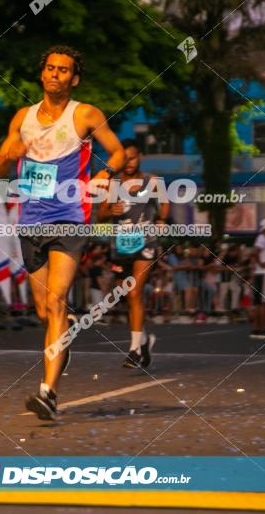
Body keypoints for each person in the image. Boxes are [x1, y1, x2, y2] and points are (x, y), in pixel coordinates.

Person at [0, 45, 124, 420]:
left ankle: (48, 392)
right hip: (31, 220)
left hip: (69, 216)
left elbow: (116, 153)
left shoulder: (84, 114)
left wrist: (106, 174)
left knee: (57, 302)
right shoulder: (22, 117)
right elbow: (0, 167)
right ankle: (62, 348)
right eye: (50, 68)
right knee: (42, 309)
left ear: (74, 78)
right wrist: (9, 153)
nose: (55, 74)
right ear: (42, 74)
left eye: (63, 70)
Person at [97, 139, 168, 369]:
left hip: (145, 242)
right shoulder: (113, 183)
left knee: (135, 292)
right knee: (128, 296)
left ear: (140, 157)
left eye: (133, 157)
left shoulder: (153, 181)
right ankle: (145, 340)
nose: (129, 162)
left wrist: (161, 219)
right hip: (120, 244)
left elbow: (165, 203)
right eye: (125, 158)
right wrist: (110, 209)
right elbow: (100, 215)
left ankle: (134, 350)